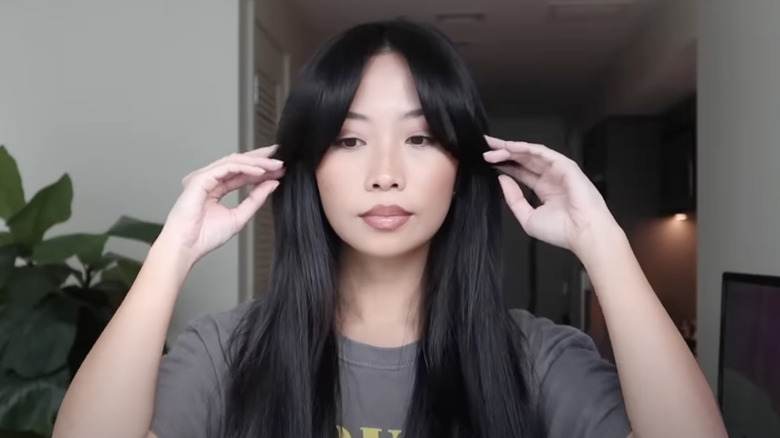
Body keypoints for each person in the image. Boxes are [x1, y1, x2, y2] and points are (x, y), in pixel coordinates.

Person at [52, 20, 727, 438]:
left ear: (462, 165)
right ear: (309, 165)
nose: (384, 173)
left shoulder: (539, 361)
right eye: (347, 141)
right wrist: (173, 251)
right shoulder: (228, 352)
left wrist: (602, 241)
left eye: (422, 139)